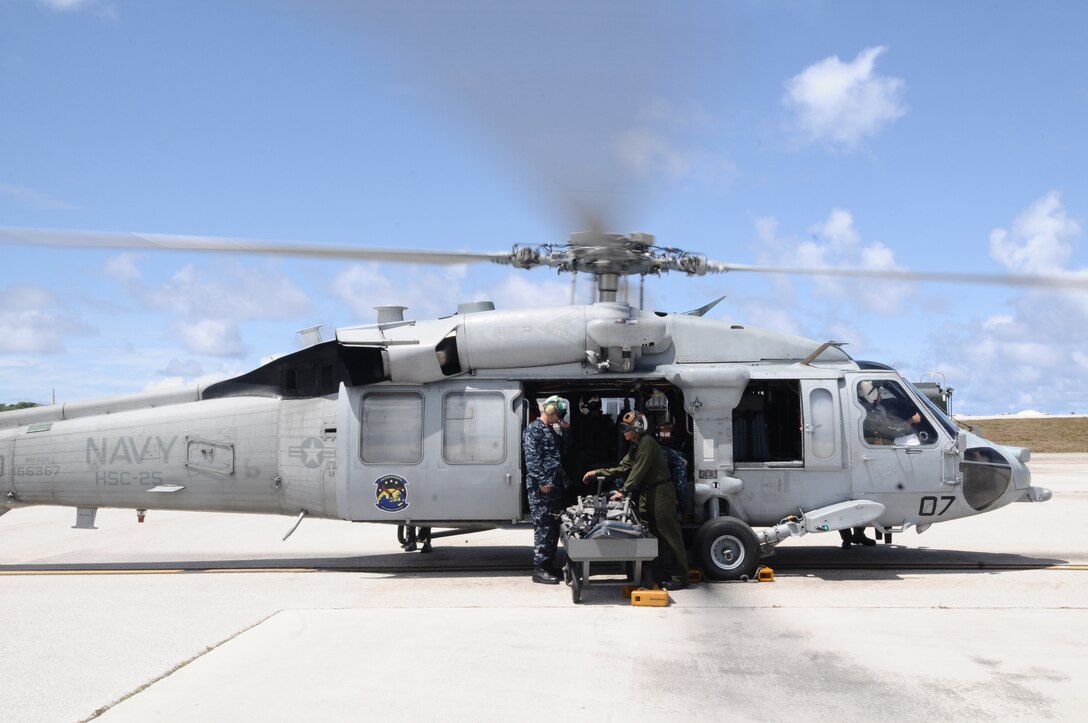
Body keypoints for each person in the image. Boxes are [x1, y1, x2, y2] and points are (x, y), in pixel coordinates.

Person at [582, 411, 690, 590]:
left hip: (661, 492)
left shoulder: (647, 443)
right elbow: (623, 467)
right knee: (651, 536)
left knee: (670, 534)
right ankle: (657, 575)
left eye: (626, 428)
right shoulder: (635, 445)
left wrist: (624, 490)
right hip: (648, 493)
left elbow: (638, 470)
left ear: (637, 428)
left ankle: (681, 577)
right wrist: (597, 472)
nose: (624, 432)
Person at [522, 397, 569, 584]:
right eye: (558, 415)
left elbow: (566, 449)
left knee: (553, 528)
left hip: (554, 486)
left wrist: (566, 431)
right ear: (549, 410)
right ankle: (539, 569)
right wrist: (542, 480)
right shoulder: (533, 430)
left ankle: (548, 565)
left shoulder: (550, 430)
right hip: (541, 489)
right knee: (543, 528)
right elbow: (532, 459)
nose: (558, 418)